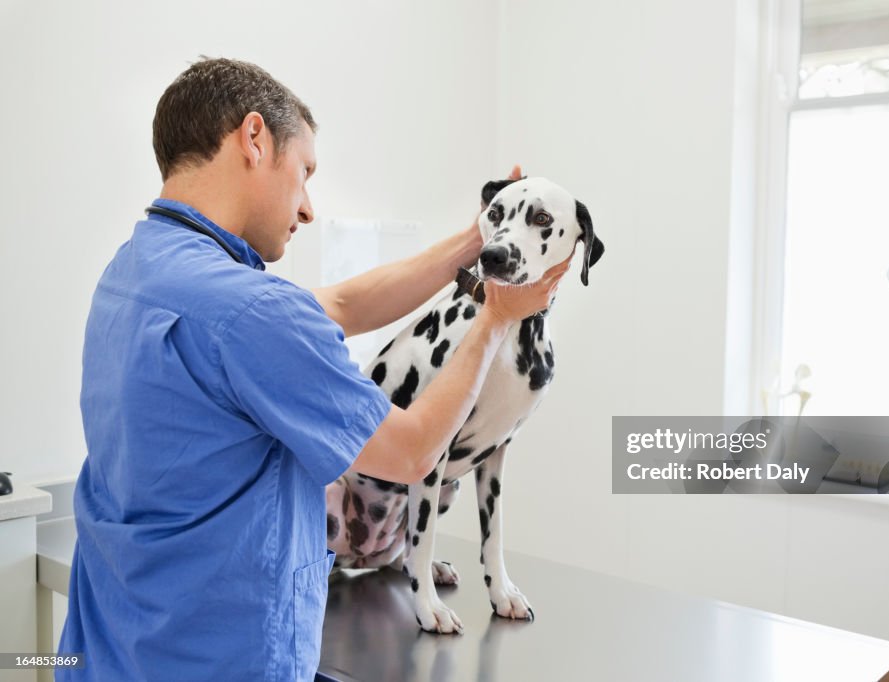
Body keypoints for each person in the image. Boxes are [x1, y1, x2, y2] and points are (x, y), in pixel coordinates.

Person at [58, 57, 569, 681]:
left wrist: (475, 242)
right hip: (220, 660)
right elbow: (410, 454)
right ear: (254, 139)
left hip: (112, 651)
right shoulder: (252, 312)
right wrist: (496, 316)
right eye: (304, 172)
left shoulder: (133, 273)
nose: (307, 209)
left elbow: (343, 305)